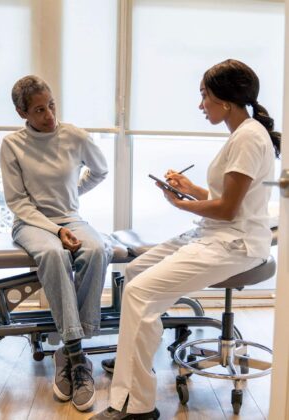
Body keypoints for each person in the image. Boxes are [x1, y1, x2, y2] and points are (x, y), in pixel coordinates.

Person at [91, 59, 280, 419]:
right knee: (135, 274)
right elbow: (227, 196)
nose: (200, 105)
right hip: (217, 232)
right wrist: (188, 189)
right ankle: (134, 360)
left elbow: (227, 209)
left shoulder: (249, 137)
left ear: (225, 100)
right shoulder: (243, 133)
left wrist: (181, 205)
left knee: (140, 292)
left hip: (235, 243)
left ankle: (136, 407)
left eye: (204, 96)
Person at [0, 75, 113, 412]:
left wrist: (72, 197)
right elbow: (18, 202)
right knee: (52, 254)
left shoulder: (74, 136)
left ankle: (70, 345)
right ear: (22, 112)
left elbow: (100, 170)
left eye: (51, 105)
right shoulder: (12, 144)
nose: (49, 115)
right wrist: (54, 229)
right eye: (38, 110)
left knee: (98, 249)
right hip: (31, 222)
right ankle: (78, 357)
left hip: (70, 217)